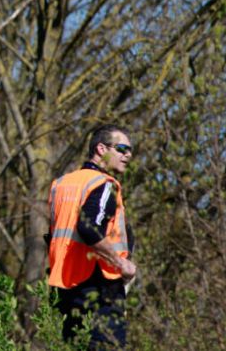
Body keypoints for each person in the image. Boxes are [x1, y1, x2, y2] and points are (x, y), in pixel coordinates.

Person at [47, 124, 137, 349]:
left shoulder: (61, 184)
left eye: (130, 150)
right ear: (100, 149)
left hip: (65, 286)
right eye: (121, 148)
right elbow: (89, 229)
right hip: (98, 288)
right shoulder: (104, 184)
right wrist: (122, 264)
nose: (128, 155)